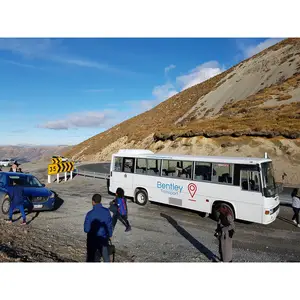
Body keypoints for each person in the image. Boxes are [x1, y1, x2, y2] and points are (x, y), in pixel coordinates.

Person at [84, 194, 113, 262]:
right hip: (103, 238)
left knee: (92, 257)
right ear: (100, 201)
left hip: (92, 240)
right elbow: (109, 225)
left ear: (93, 202)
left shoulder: (89, 214)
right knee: (105, 255)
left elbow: (86, 229)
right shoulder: (106, 211)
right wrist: (110, 234)